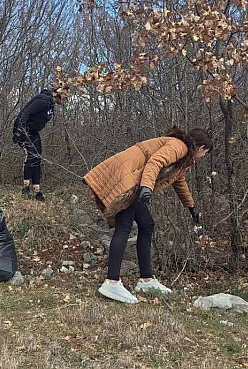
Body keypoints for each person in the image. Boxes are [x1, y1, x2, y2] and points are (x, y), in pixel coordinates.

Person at [84, 127, 212, 303]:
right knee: (124, 226)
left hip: (133, 181)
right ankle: (111, 282)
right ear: (201, 148)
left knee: (146, 224)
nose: (203, 156)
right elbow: (155, 162)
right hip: (127, 180)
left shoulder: (183, 156)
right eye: (205, 153)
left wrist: (190, 206)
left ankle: (146, 280)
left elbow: (179, 180)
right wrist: (147, 187)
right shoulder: (178, 146)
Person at [12, 84, 67, 201]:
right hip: (23, 129)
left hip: (33, 131)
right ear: (58, 94)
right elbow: (26, 113)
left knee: (38, 157)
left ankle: (37, 191)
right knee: (31, 155)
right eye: (65, 96)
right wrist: (19, 131)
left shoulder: (50, 104)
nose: (66, 99)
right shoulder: (43, 100)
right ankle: (25, 189)